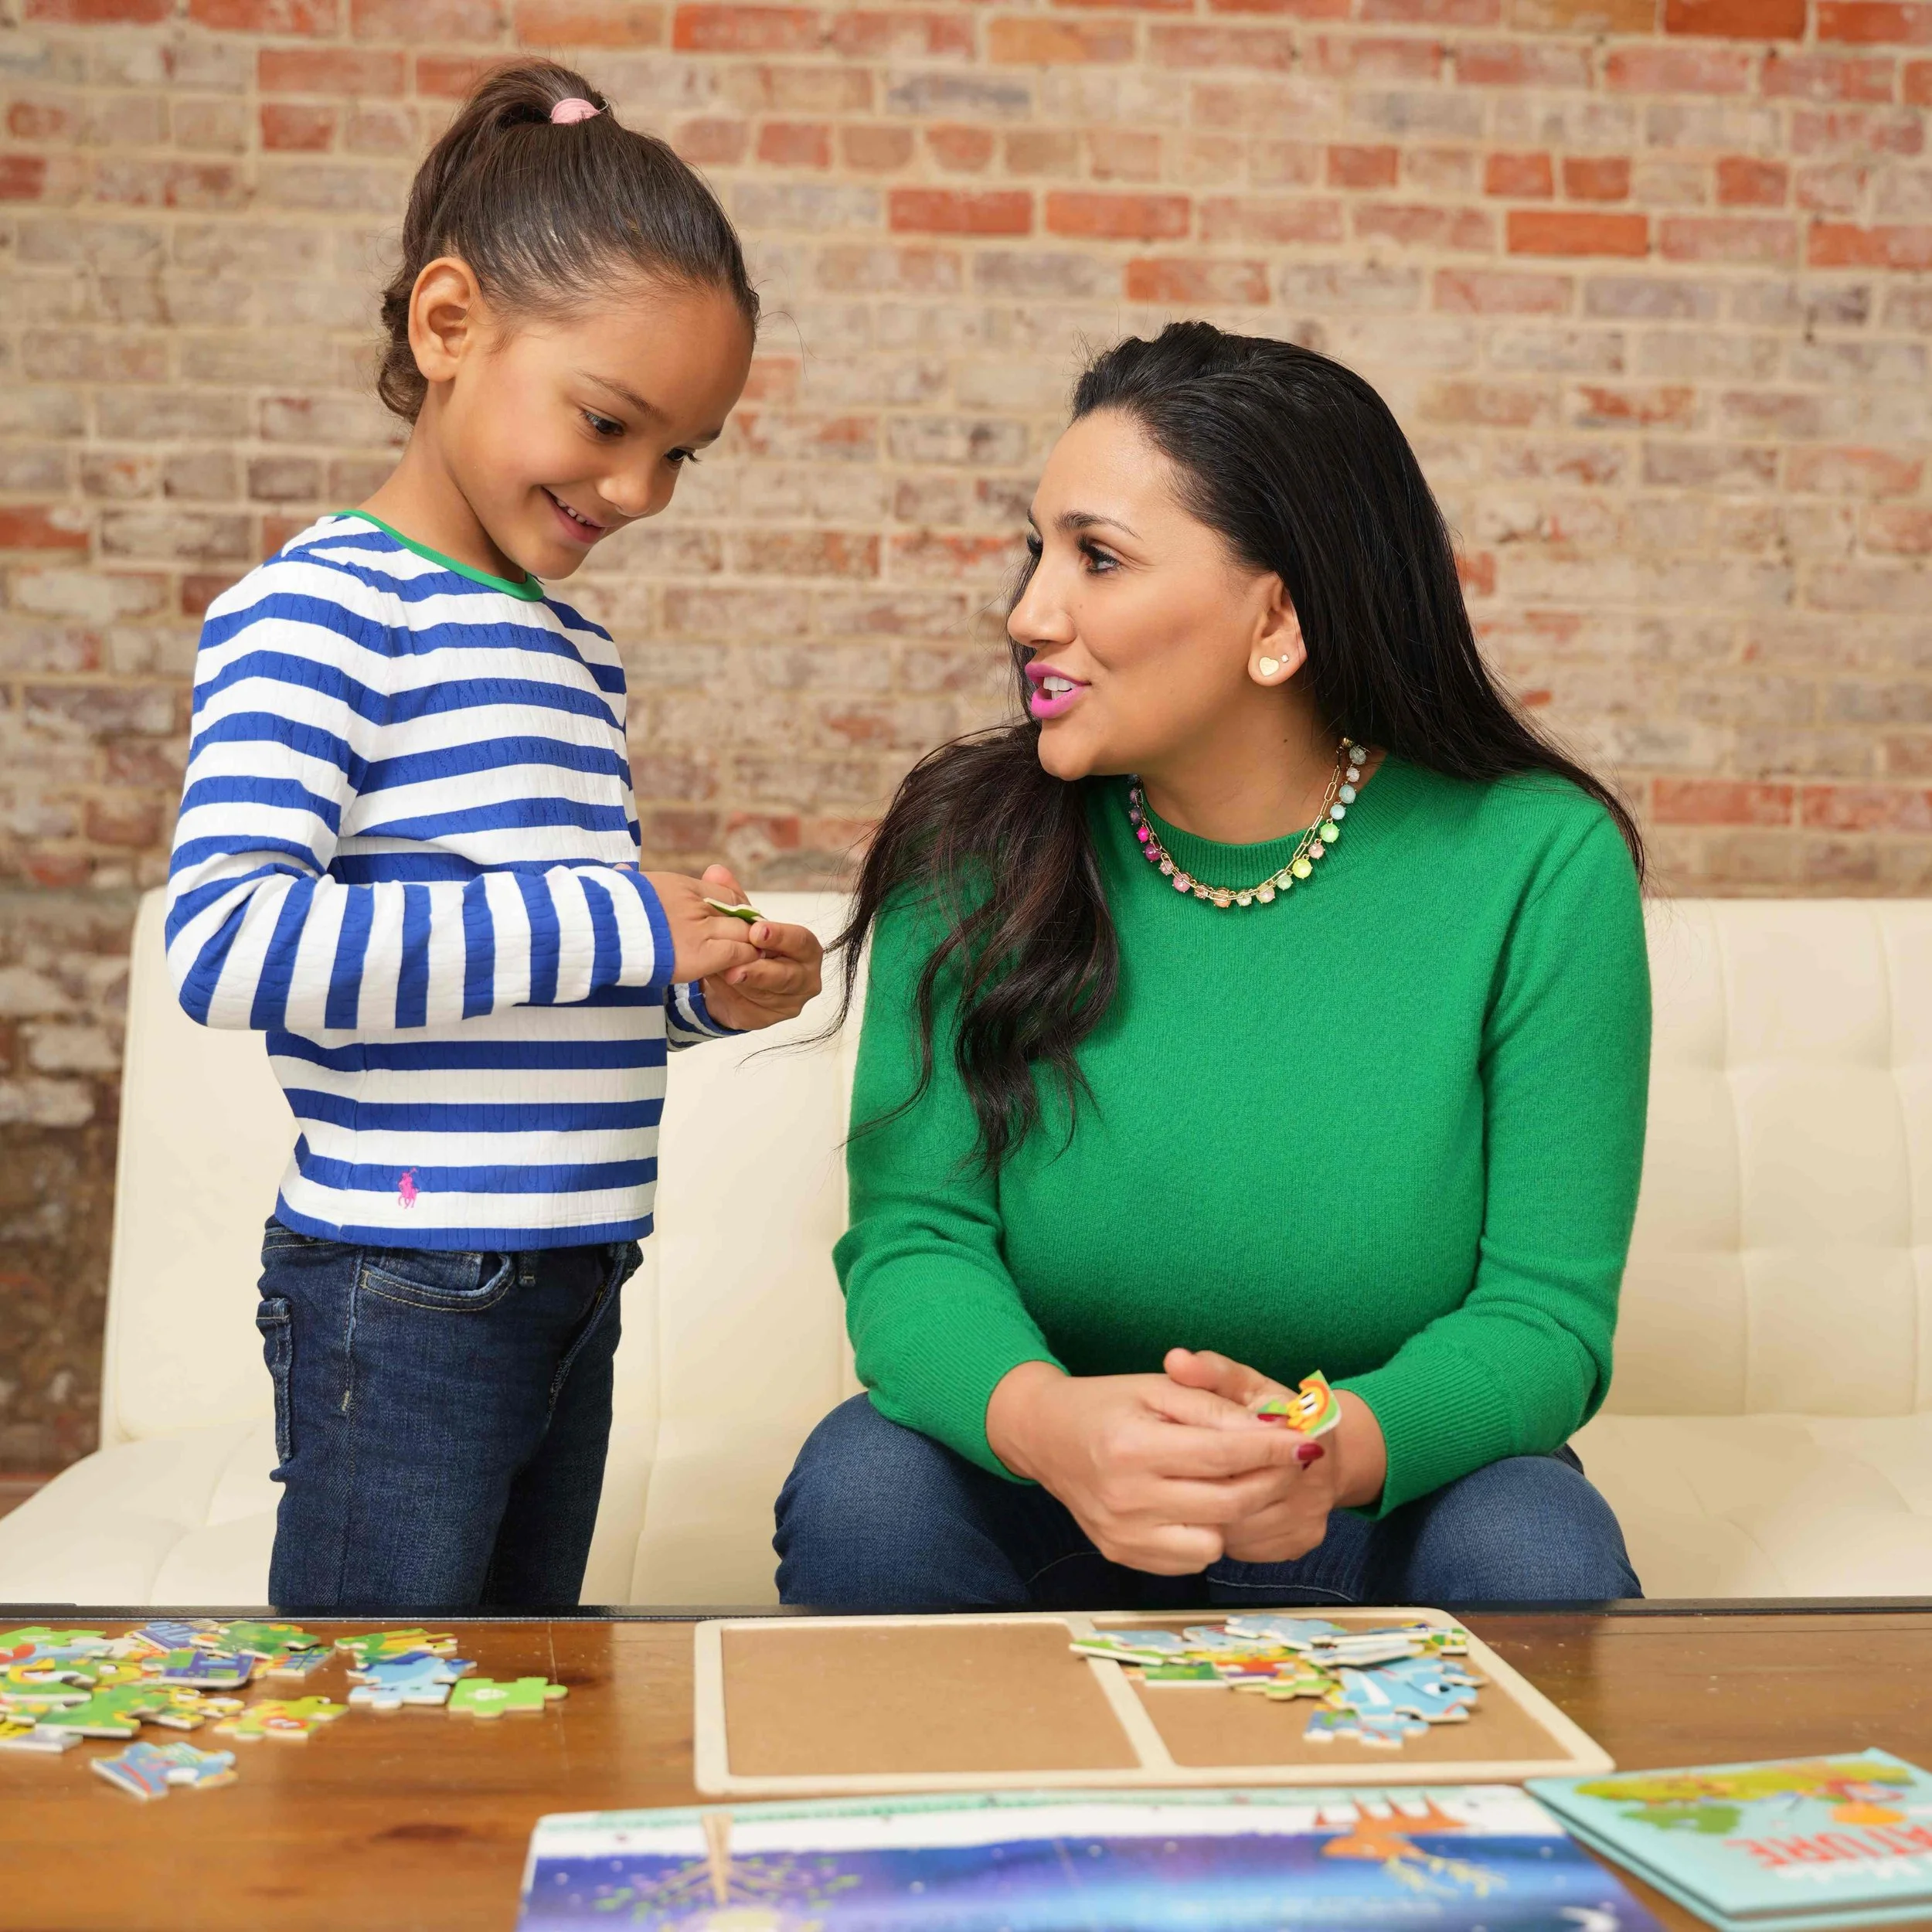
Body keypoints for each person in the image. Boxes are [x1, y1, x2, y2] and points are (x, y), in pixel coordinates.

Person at [777, 321, 1649, 1611]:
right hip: (1046, 1491)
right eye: (1039, 550)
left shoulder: (1539, 864)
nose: (1030, 613)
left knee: (1537, 1546)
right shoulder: (970, 847)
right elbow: (915, 1240)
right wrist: (1054, 1429)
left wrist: (1325, 1449)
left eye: (1100, 559)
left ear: (1278, 619)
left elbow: (1545, 1318)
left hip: (1373, 1492)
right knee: (865, 1490)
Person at [164, 61, 822, 1611]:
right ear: (448, 326)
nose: (639, 488)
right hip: (404, 1288)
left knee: (515, 1689)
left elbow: (529, 971)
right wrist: (617, 922)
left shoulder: (567, 650)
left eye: (681, 450)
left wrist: (694, 988)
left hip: (576, 1270)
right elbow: (228, 943)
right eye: (608, 421)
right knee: (370, 1706)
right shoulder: (319, 610)